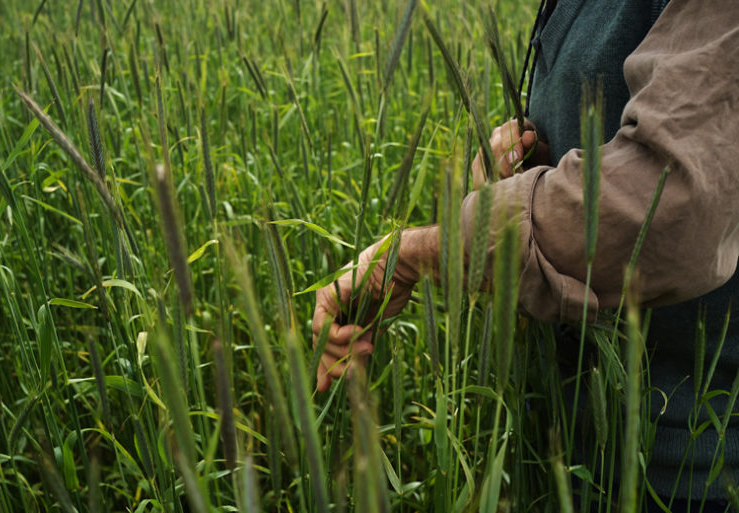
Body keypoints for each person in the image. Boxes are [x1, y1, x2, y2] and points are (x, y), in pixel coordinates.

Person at [312, 0, 739, 509]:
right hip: (568, 451)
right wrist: (521, 178)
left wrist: (419, 253)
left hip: (689, 475)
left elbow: (669, 197)